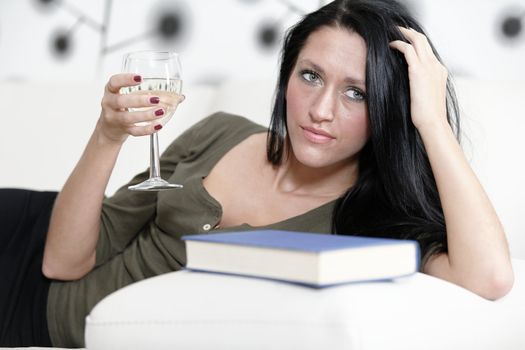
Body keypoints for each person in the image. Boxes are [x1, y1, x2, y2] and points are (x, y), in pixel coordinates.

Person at [0, 0, 514, 347]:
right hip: (22, 235)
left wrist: (429, 121)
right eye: (310, 76)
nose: (320, 109)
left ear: (388, 108)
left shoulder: (370, 223)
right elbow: (64, 260)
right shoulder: (220, 132)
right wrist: (108, 135)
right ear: (286, 77)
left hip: (44, 322)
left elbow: (490, 277)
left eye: (356, 92)